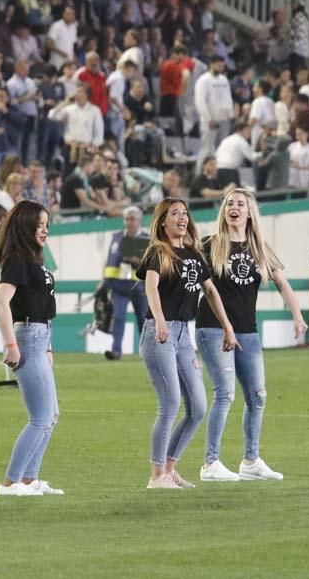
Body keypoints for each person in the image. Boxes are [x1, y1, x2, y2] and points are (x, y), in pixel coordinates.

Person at [197, 189, 306, 482]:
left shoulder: (259, 248)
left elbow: (282, 282)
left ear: (249, 212)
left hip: (248, 330)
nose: (234, 208)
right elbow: (194, 287)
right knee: (225, 394)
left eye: (240, 204)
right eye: (229, 204)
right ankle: (210, 463)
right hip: (213, 329)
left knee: (257, 396)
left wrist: (298, 316)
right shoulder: (210, 245)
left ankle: (251, 460)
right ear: (224, 211)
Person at [137, 198, 236, 490]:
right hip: (160, 332)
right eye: (174, 214)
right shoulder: (158, 252)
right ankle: (156, 477)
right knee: (170, 403)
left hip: (183, 336)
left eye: (184, 213)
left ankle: (169, 469)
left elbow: (211, 291)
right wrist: (160, 321)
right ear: (163, 222)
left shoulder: (194, 254)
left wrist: (228, 327)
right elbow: (150, 287)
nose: (182, 217)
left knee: (199, 406)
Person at [0, 201, 64, 497]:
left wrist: (48, 345)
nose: (45, 230)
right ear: (25, 226)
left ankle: (28, 479)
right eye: (39, 225)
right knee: (40, 417)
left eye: (46, 224)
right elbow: (1, 302)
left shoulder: (34, 259)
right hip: (27, 337)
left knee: (51, 415)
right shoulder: (18, 260)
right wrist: (11, 344)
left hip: (40, 336)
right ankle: (10, 483)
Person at [102, 206, 149, 361]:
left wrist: (137, 262)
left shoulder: (147, 239)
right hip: (119, 286)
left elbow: (152, 265)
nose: (129, 222)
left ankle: (147, 352)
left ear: (139, 220)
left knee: (143, 320)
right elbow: (108, 261)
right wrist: (103, 281)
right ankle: (116, 351)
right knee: (118, 317)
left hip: (139, 288)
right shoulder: (117, 237)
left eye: (132, 219)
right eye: (126, 219)